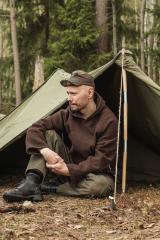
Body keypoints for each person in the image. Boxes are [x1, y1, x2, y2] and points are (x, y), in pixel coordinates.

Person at [3, 70, 118, 202]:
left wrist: (69, 170)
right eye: (68, 93)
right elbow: (35, 128)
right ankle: (31, 183)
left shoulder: (109, 121)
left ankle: (50, 188)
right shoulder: (66, 114)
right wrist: (44, 150)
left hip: (96, 173)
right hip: (69, 165)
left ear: (90, 93)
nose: (69, 98)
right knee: (47, 134)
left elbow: (100, 160)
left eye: (73, 94)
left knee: (100, 186)